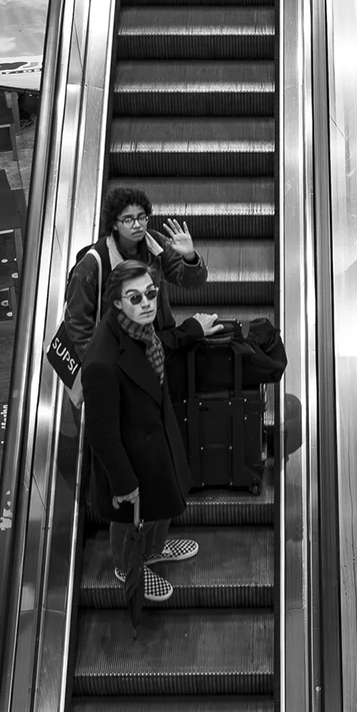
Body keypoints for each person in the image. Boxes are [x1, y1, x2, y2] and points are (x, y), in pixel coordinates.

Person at [82, 260, 225, 602]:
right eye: (135, 297)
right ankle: (126, 564)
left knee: (161, 505)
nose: (146, 303)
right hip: (131, 460)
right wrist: (123, 482)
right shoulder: (101, 362)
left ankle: (154, 549)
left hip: (156, 441)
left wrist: (192, 330)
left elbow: (159, 347)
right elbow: (101, 434)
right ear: (117, 302)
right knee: (131, 518)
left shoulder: (140, 331)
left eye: (150, 293)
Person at [60, 186, 209, 362]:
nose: (137, 225)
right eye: (128, 219)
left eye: (141, 217)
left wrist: (189, 257)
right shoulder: (92, 265)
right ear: (114, 224)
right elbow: (77, 322)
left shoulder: (155, 244)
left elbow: (192, 282)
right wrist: (99, 365)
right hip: (119, 352)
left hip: (155, 341)